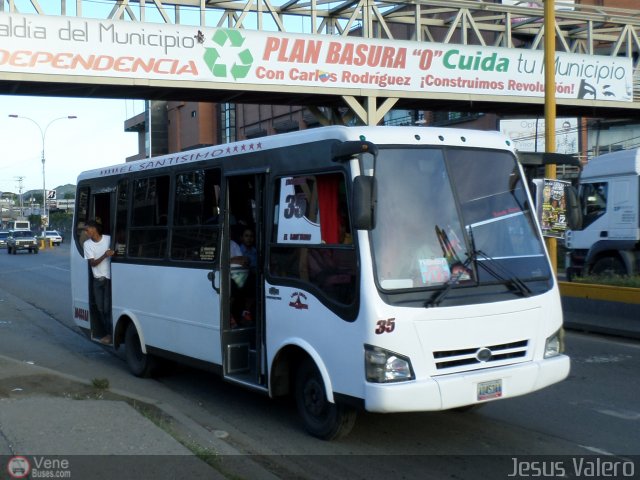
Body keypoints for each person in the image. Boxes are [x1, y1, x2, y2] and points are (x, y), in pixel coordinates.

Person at [83, 220, 115, 345]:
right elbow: (92, 263)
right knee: (100, 308)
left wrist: (111, 253)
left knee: (107, 308)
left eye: (87, 229)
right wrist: (105, 255)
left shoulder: (108, 239)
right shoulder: (87, 244)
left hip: (108, 279)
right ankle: (108, 333)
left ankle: (110, 334)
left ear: (94, 229)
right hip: (97, 280)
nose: (86, 232)